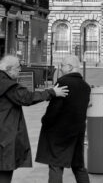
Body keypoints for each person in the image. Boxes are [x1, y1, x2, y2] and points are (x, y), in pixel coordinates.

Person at [0, 54, 68, 183]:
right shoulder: (7, 84)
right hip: (5, 134)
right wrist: (51, 92)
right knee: (4, 170)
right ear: (9, 69)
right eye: (18, 68)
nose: (20, 71)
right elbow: (27, 97)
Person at [36, 55, 91, 183]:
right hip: (77, 131)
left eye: (62, 65)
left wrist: (45, 121)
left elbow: (54, 109)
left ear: (70, 67)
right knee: (78, 166)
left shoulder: (64, 82)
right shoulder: (85, 86)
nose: (60, 68)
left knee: (55, 165)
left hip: (59, 132)